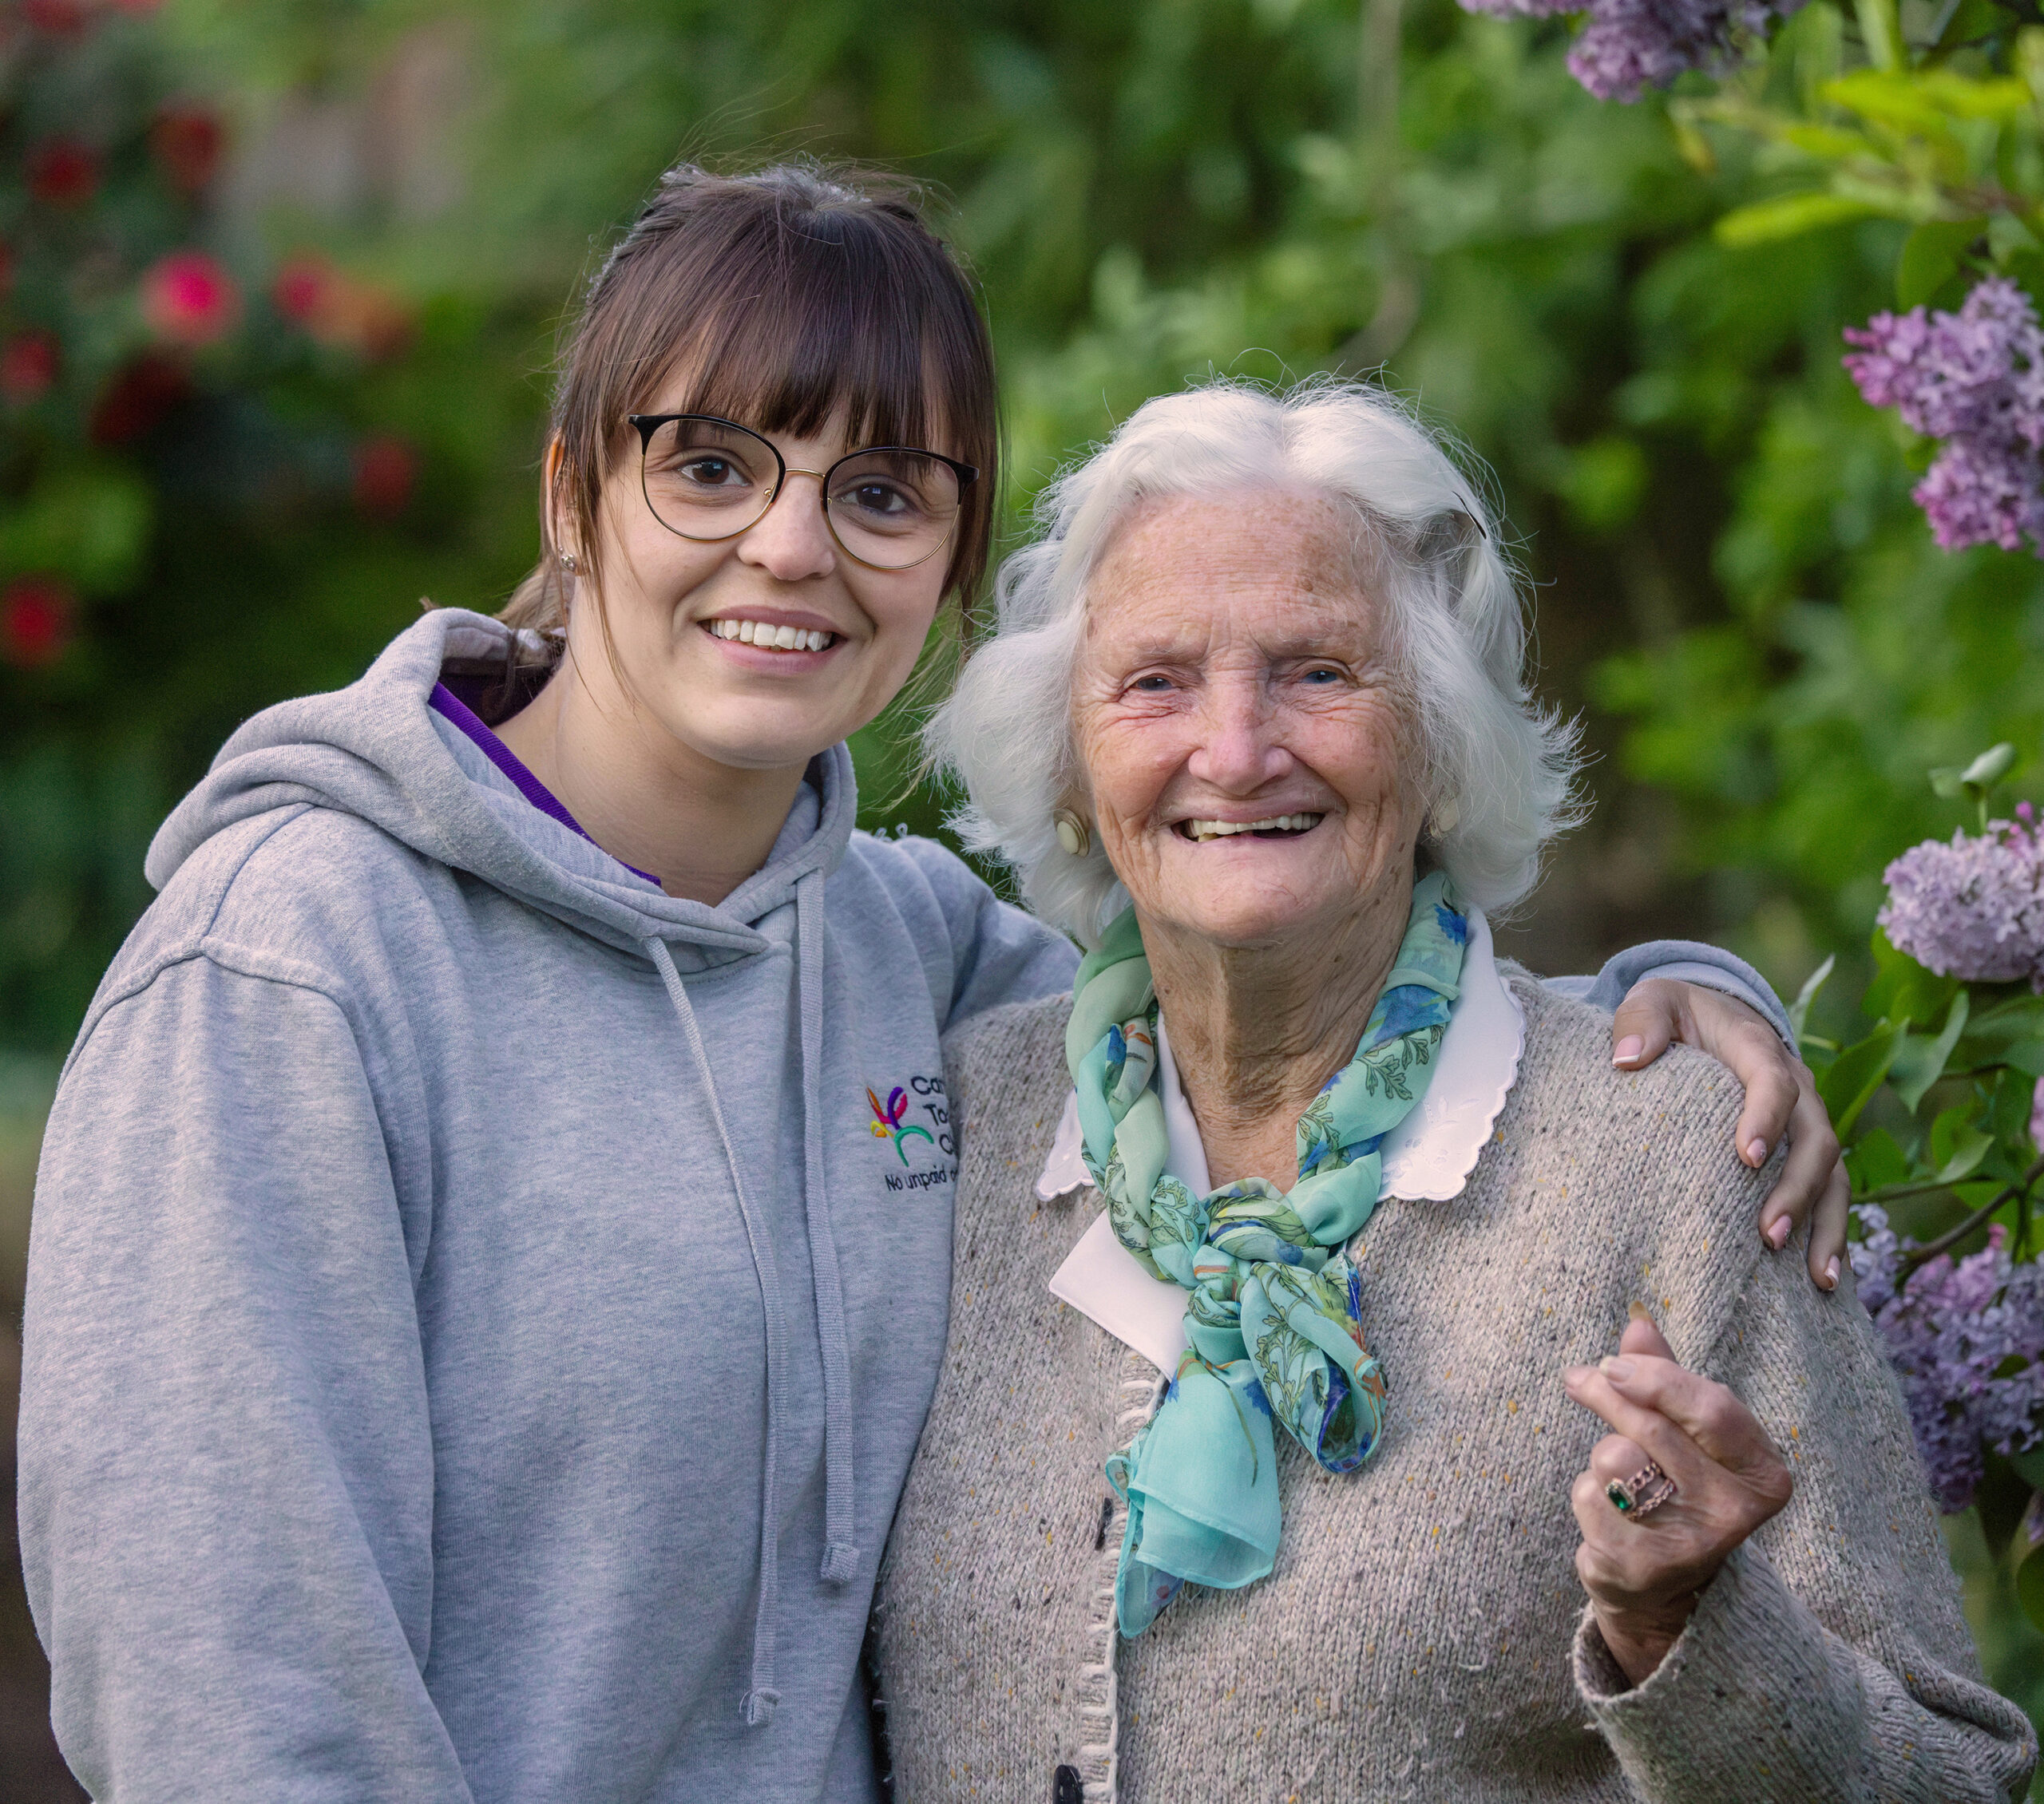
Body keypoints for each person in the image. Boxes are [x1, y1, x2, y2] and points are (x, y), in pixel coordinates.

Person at [22, 167, 1832, 1802]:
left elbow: (1280, 979)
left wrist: (1660, 1005)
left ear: (951, 565)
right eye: (711, 465)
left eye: (879, 491)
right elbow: (229, 1713)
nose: (794, 548)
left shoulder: (922, 970)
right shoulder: (291, 974)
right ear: (574, 494)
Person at [871, 378, 2038, 1802]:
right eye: (1156, 680)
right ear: (1068, 769)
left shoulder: (1675, 1155)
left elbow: (1954, 1781)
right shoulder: (952, 1130)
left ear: (1440, 745)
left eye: (1318, 672)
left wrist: (1686, 1631)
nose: (1234, 751)